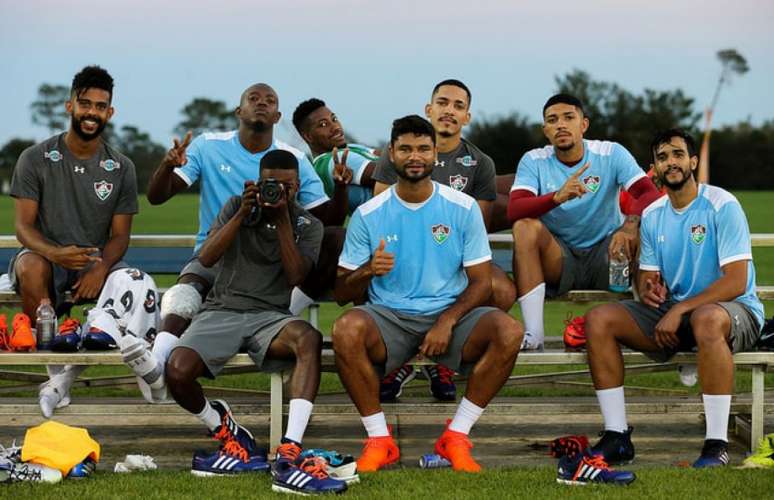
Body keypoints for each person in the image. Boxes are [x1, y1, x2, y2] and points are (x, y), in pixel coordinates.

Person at [331, 115, 523, 473]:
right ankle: (379, 440)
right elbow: (342, 291)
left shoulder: (462, 208)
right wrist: (368, 271)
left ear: (436, 154)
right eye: (405, 149)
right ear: (392, 154)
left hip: (450, 312)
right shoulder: (369, 214)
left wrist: (447, 321)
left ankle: (456, 437)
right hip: (389, 316)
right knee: (346, 329)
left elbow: (481, 282)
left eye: (422, 148)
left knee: (510, 331)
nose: (414, 156)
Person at [142, 83, 350, 393]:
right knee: (185, 293)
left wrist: (341, 188)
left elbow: (323, 222)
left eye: (270, 100)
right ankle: (156, 365)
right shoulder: (208, 145)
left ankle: (280, 314)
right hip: (217, 255)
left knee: (337, 237)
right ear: (239, 111)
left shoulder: (292, 159)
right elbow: (158, 196)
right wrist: (166, 165)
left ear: (278, 116)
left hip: (268, 265)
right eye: (253, 99)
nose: (261, 104)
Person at [164, 150, 345, 493]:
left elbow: (295, 275)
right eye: (273, 185)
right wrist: (243, 214)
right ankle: (221, 426)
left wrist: (282, 222)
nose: (282, 192)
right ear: (259, 182)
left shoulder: (308, 224)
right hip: (222, 309)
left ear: (298, 186)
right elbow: (206, 256)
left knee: (307, 337)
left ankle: (290, 447)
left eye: (289, 186)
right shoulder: (236, 206)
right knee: (176, 369)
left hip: (271, 315)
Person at [582, 128, 765, 468]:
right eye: (663, 157)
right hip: (678, 314)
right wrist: (647, 287)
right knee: (599, 319)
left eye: (678, 155)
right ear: (655, 168)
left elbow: (737, 281)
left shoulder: (722, 205)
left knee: (706, 318)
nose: (671, 162)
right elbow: (649, 278)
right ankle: (617, 436)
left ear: (693, 161)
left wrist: (680, 307)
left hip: (733, 312)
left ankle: (715, 444)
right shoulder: (653, 215)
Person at [7, 65, 160, 415]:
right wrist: (56, 254)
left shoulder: (120, 166)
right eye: (85, 103)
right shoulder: (36, 158)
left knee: (136, 282)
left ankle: (147, 372)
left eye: (100, 106)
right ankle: (53, 372)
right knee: (30, 265)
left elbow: (121, 235)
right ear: (69, 106)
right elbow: (23, 229)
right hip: (46, 258)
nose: (91, 112)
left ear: (110, 112)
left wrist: (101, 266)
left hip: (95, 263)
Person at [371, 79, 517, 401]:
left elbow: (476, 226)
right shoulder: (398, 152)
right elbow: (379, 214)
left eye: (458, 106)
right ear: (429, 109)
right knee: (373, 269)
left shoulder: (481, 163)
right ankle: (402, 360)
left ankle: (445, 361)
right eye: (443, 102)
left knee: (502, 289)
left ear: (467, 117)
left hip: (456, 258)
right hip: (406, 253)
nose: (449, 110)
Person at [508, 93, 661, 350]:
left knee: (644, 228)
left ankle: (655, 330)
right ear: (545, 130)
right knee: (524, 227)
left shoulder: (610, 153)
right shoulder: (534, 159)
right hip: (559, 259)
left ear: (584, 125)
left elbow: (649, 193)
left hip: (609, 255)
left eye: (569, 117)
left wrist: (629, 225)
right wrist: (556, 197)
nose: (561, 125)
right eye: (552, 120)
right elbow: (515, 209)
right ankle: (534, 335)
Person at [292, 98, 378, 214]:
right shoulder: (334, 159)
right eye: (323, 124)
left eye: (334, 119)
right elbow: (393, 171)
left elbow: (392, 156)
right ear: (308, 136)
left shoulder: (350, 147)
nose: (336, 127)